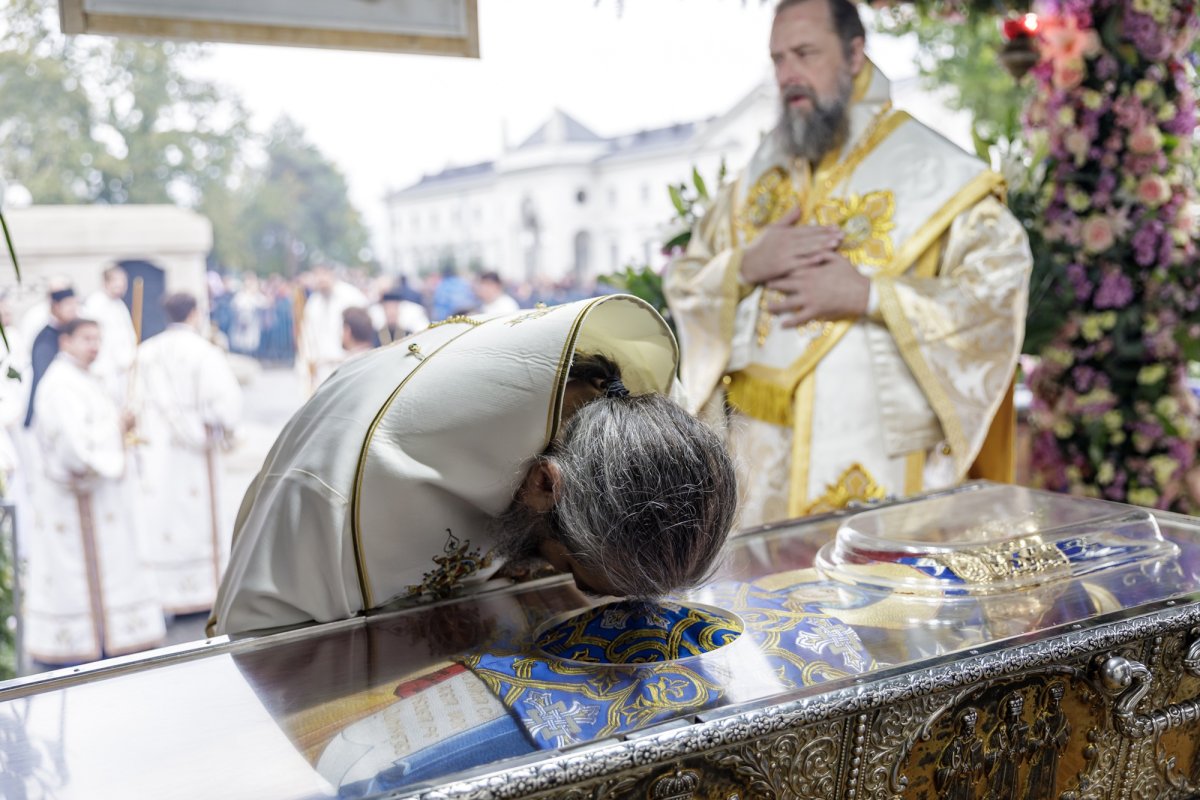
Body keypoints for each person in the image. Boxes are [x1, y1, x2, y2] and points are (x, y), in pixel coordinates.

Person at [664, 0, 1032, 527]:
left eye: (805, 53)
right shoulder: (761, 174)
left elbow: (996, 294)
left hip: (878, 460)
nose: (789, 73)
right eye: (778, 59)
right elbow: (685, 277)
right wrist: (744, 265)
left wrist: (871, 295)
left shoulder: (933, 170)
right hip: (753, 472)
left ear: (855, 53)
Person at [209, 295, 737, 636]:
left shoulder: (641, 418)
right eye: (578, 576)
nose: (559, 579)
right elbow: (270, 652)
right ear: (540, 484)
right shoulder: (342, 484)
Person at [25, 318, 165, 664]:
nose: (95, 345)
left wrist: (121, 425)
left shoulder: (86, 379)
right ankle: (82, 642)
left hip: (103, 501)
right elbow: (76, 452)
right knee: (76, 573)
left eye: (98, 338)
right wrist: (116, 428)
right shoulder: (60, 386)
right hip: (75, 503)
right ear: (65, 342)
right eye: (86, 338)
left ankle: (112, 634)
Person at [135, 292, 243, 615]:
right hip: (197, 453)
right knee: (197, 515)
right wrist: (225, 428)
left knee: (163, 513)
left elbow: (131, 399)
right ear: (194, 313)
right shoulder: (205, 352)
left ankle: (165, 592)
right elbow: (225, 405)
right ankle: (203, 590)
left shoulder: (145, 352)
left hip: (158, 449)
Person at [296, 265, 369, 393]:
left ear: (332, 275)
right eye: (317, 275)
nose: (321, 279)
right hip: (322, 368)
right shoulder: (314, 303)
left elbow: (363, 331)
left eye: (324, 274)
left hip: (349, 365)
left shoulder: (352, 296)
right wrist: (305, 364)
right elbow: (307, 336)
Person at [24, 286, 78, 428]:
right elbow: (44, 379)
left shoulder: (68, 332)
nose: (73, 309)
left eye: (75, 304)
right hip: (49, 413)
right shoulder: (46, 339)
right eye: (68, 305)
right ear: (55, 306)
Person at [82, 264, 137, 403]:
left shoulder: (118, 304)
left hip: (121, 369)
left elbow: (126, 335)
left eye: (123, 282)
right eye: (117, 282)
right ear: (106, 282)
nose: (121, 286)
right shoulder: (96, 304)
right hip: (105, 367)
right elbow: (105, 338)